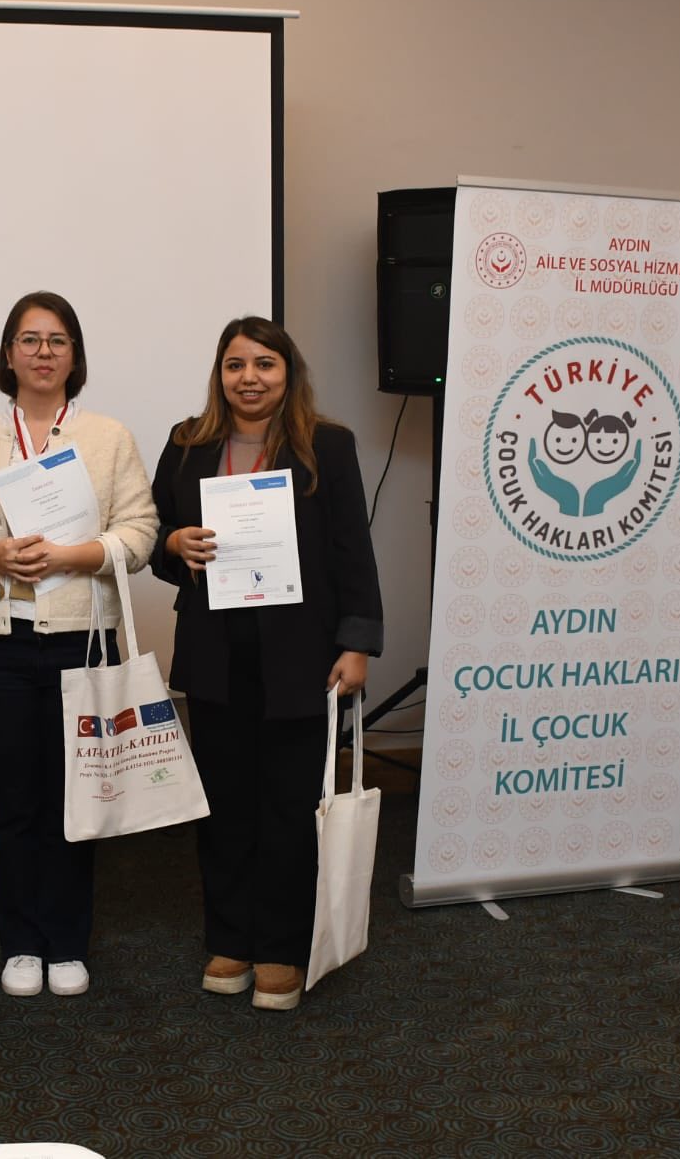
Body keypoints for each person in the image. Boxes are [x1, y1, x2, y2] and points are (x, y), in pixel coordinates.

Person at [150, 316, 382, 1011]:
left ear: (288, 373)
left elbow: (352, 548)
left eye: (264, 364)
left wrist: (357, 642)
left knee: (288, 804)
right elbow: (157, 534)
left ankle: (280, 946)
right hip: (216, 651)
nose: (248, 378)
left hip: (302, 654)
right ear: (219, 374)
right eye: (235, 365)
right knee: (223, 805)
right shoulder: (187, 443)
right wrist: (175, 543)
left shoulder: (328, 445)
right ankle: (230, 938)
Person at [0, 292, 159, 998]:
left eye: (57, 340)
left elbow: (141, 533)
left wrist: (74, 554)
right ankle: (21, 941)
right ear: (8, 354)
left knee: (75, 797)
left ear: (74, 355)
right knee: (15, 798)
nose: (42, 352)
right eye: (28, 340)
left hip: (80, 645)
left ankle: (66, 940)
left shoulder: (109, 437)